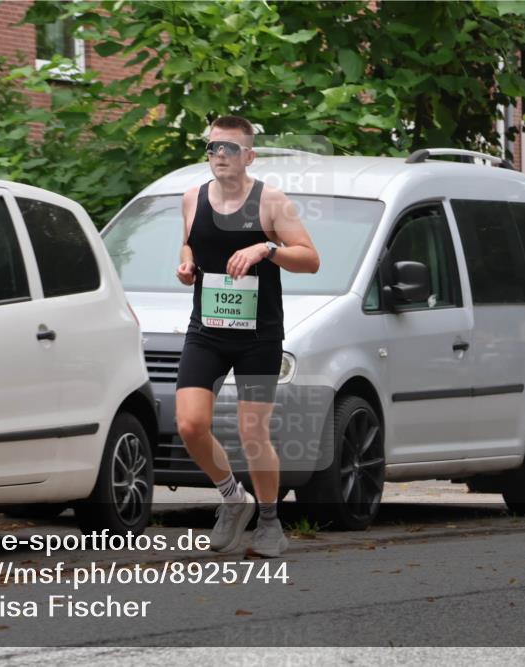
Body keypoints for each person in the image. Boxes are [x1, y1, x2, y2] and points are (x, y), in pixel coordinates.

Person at [174, 115, 320, 557]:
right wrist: (186, 266)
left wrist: (266, 248)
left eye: (230, 149)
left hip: (258, 335)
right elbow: (189, 244)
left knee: (252, 431)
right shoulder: (191, 198)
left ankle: (271, 522)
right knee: (190, 424)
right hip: (207, 330)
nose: (219, 156)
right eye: (213, 148)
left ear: (249, 155)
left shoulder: (272, 202)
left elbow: (310, 259)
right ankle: (233, 499)